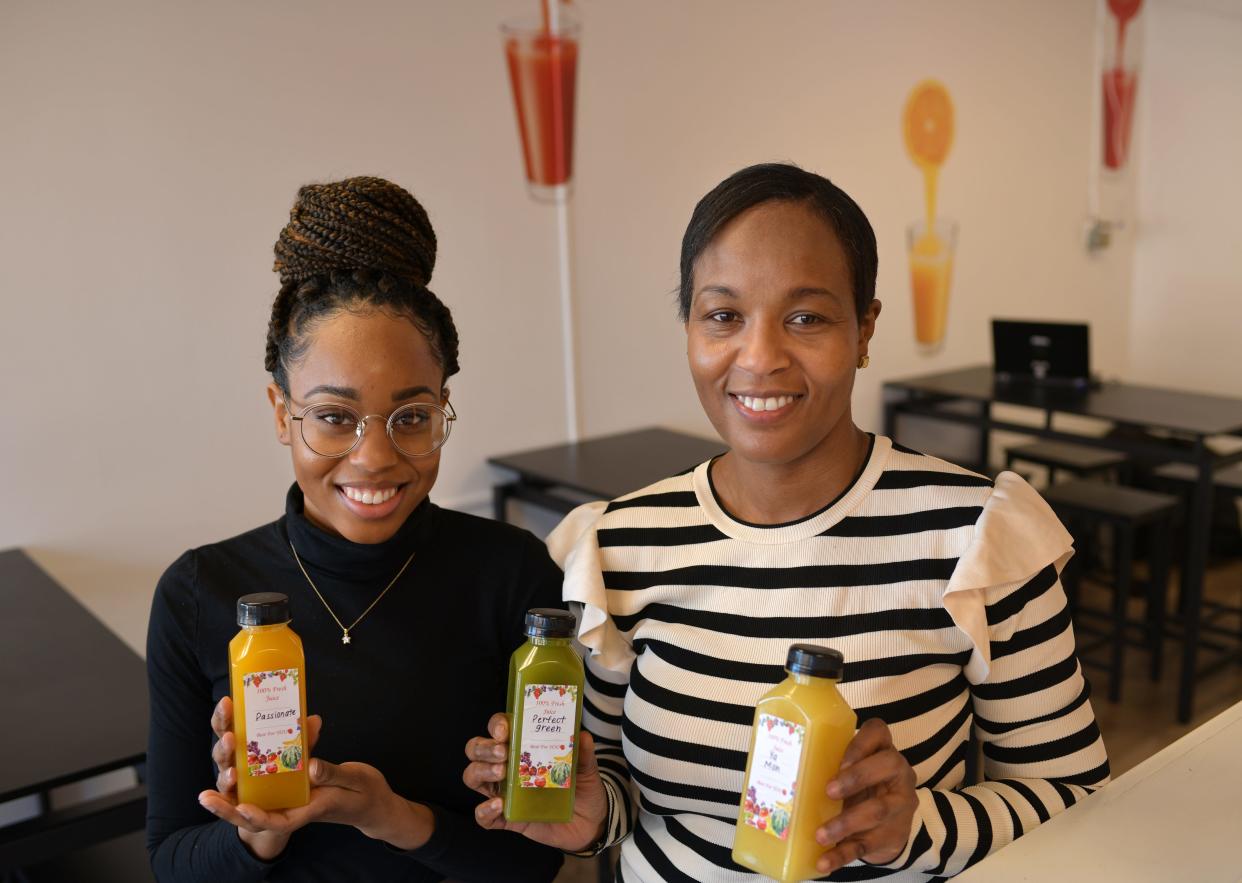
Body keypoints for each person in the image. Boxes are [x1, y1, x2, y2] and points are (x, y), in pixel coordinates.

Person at [464, 163, 1110, 881]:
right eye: (723, 315)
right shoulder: (620, 544)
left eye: (806, 317)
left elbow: (1073, 792)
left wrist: (911, 825)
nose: (761, 356)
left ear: (865, 329)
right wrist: (589, 817)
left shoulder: (978, 538)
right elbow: (617, 786)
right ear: (689, 327)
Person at [146, 176, 564, 882]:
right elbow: (171, 861)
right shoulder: (200, 592)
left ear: (442, 407)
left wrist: (392, 816)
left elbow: (539, 858)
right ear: (282, 412)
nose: (375, 456)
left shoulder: (511, 575)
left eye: (411, 416)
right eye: (335, 416)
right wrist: (258, 832)